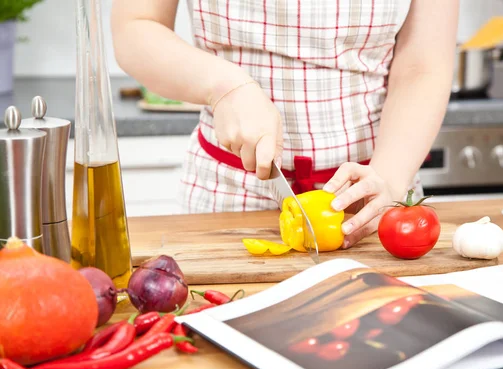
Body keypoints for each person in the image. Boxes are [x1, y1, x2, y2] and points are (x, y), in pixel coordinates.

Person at [111, 0, 459, 248]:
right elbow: (135, 27)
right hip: (228, 196)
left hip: (372, 202)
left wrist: (389, 179)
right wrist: (223, 86)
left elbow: (423, 65)